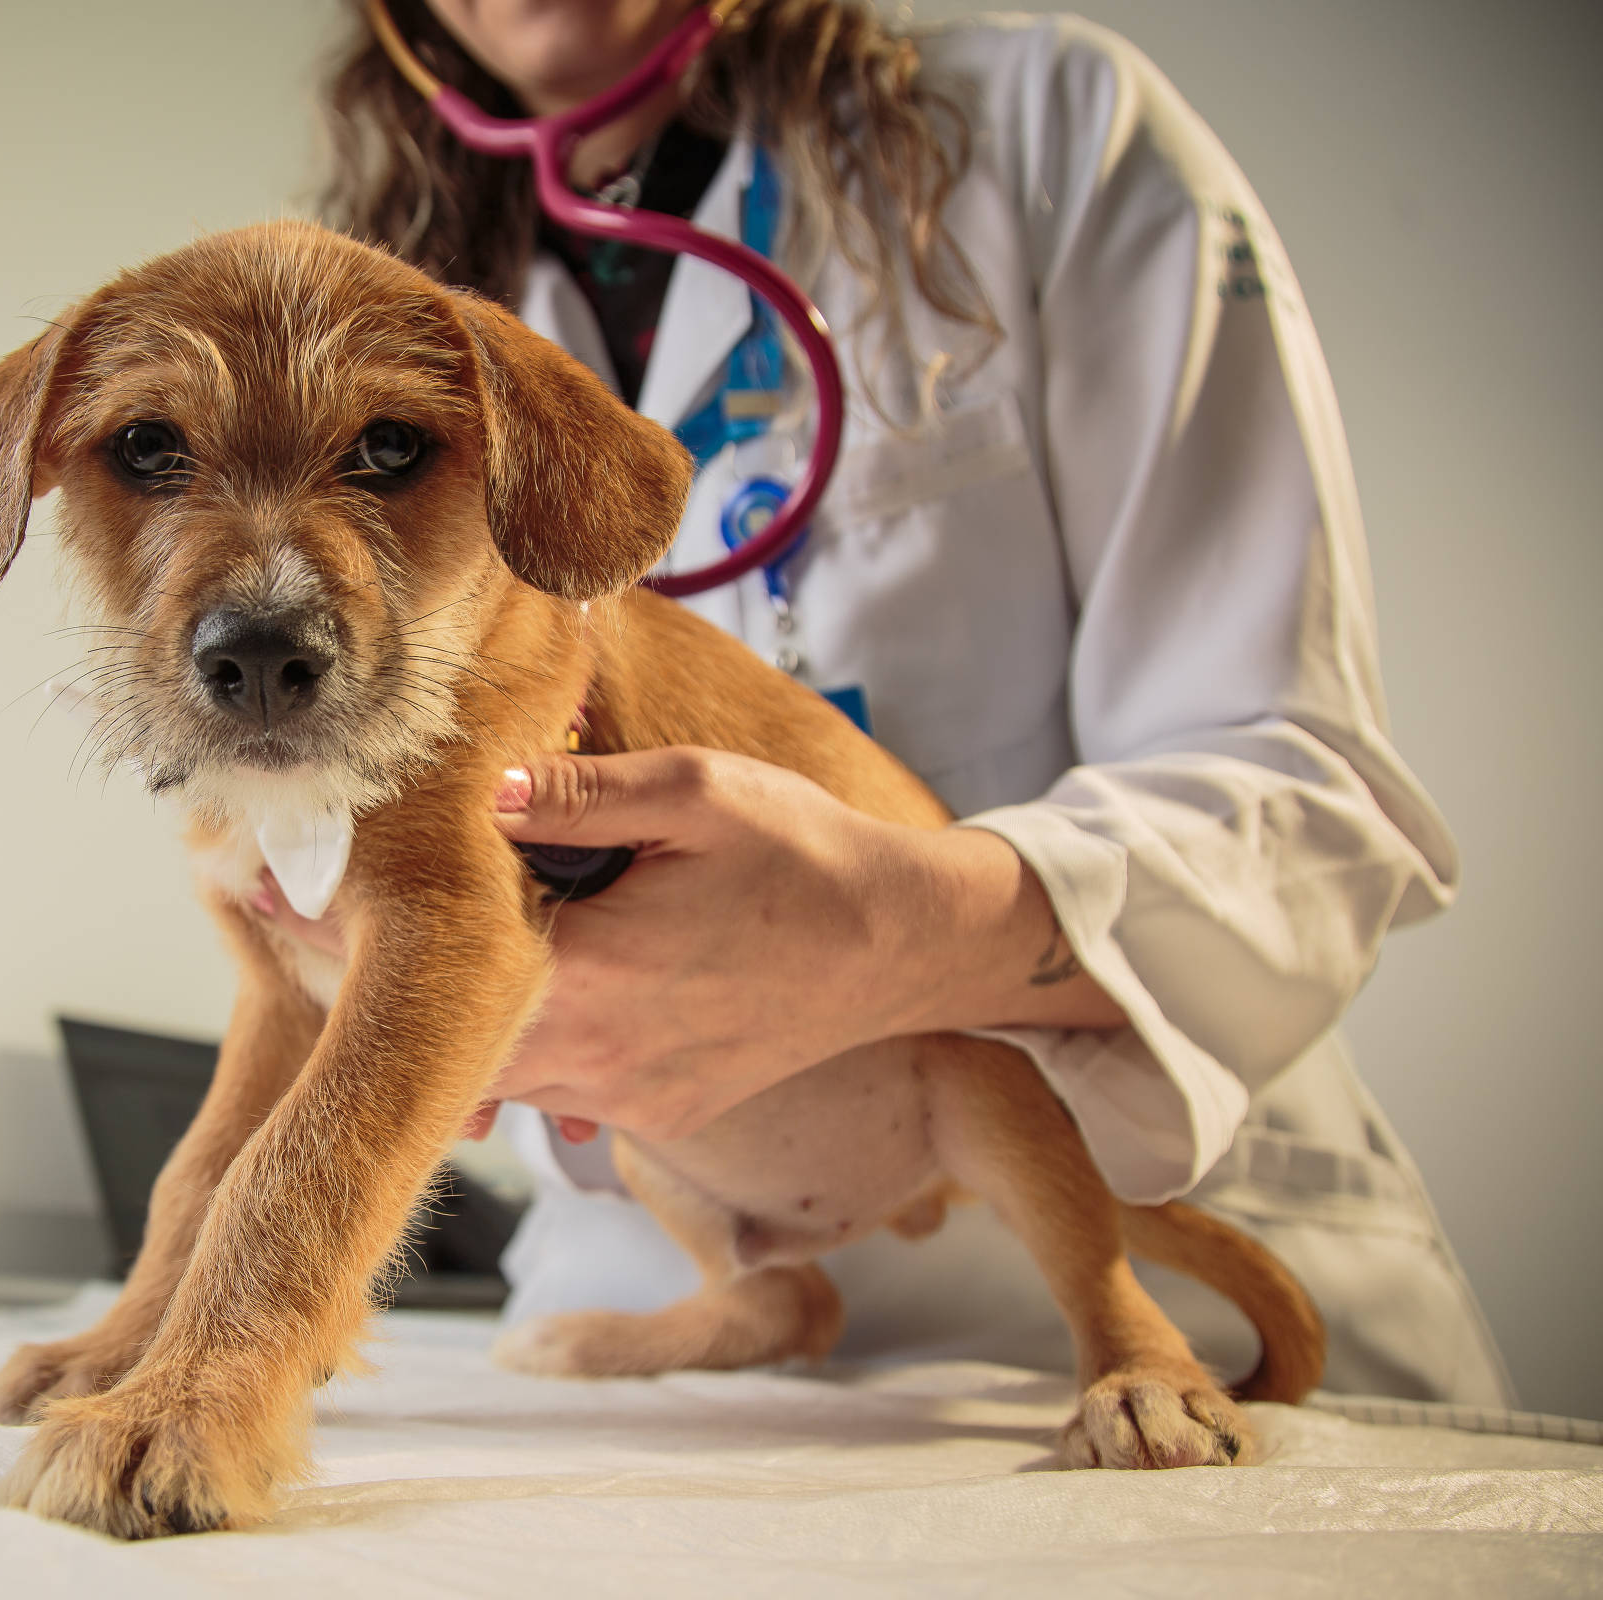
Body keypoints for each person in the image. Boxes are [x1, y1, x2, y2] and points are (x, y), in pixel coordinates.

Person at [285, 0, 1511, 1404]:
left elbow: (1300, 795)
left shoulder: (1035, 126)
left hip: (1097, 1265)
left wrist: (907, 933)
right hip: (651, 1303)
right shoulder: (381, 303)